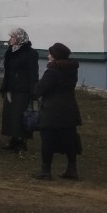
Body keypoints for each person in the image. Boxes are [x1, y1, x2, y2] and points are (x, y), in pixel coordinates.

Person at [33, 43, 82, 180]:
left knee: (48, 141)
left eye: (50, 54)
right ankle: (72, 170)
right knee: (70, 140)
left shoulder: (52, 72)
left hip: (52, 111)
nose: (48, 56)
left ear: (55, 56)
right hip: (69, 109)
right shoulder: (72, 69)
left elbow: (39, 90)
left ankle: (45, 171)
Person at [0, 28, 39, 152]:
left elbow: (33, 73)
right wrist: (5, 86)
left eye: (13, 37)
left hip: (23, 89)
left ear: (20, 38)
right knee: (10, 115)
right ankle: (13, 139)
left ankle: (22, 141)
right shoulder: (10, 51)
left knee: (21, 115)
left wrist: (33, 91)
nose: (10, 39)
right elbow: (8, 71)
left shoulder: (29, 53)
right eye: (10, 37)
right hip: (11, 88)